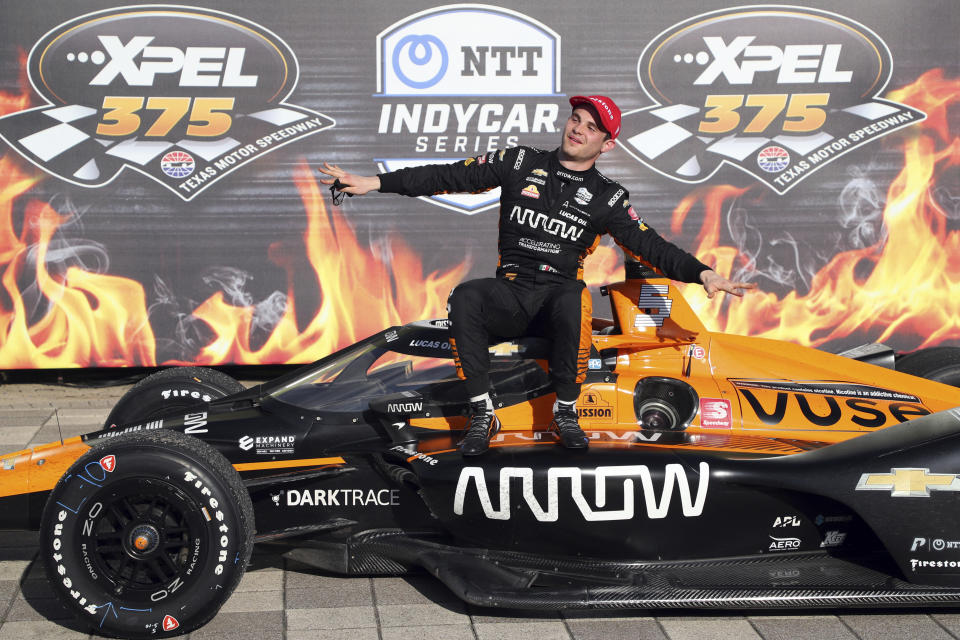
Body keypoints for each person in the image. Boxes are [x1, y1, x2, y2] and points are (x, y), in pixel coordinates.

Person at [318, 95, 755, 456]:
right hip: (510, 294)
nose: (577, 129)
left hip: (556, 301)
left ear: (606, 144)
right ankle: (481, 413)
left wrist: (703, 273)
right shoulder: (521, 161)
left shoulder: (608, 197)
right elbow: (449, 176)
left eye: (590, 127)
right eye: (575, 119)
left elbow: (650, 245)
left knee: (573, 295)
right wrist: (375, 183)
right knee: (468, 295)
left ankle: (566, 411)